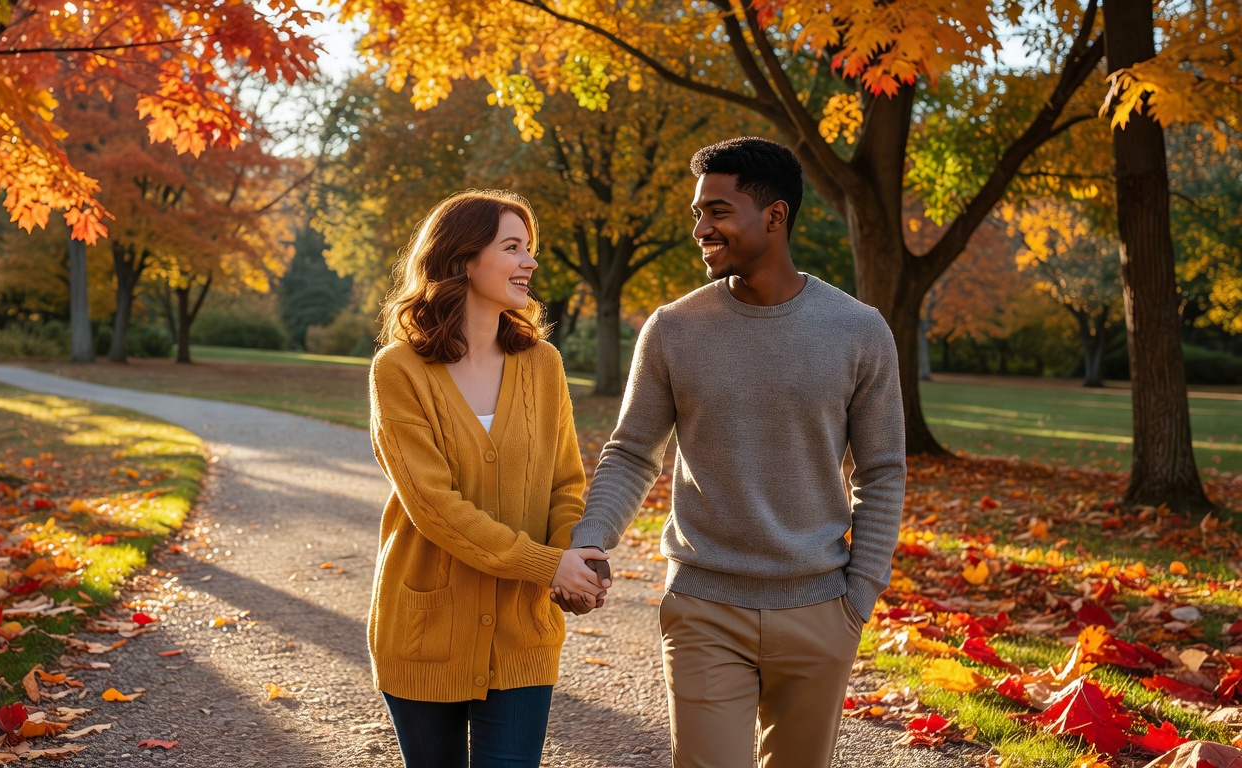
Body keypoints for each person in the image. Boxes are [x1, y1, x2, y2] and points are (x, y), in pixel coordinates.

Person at [565, 137, 907, 767]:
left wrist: (859, 595)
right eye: (699, 213)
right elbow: (633, 452)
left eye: (717, 212)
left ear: (774, 216)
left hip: (820, 609)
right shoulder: (673, 328)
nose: (701, 228)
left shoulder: (859, 330)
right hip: (704, 607)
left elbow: (881, 471)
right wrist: (592, 539)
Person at [367, 189, 610, 768]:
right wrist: (546, 564)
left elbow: (565, 484)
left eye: (529, 248)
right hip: (425, 630)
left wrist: (571, 564)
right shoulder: (398, 370)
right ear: (463, 258)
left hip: (523, 629)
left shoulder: (543, 364)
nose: (530, 261)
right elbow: (434, 506)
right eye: (512, 247)